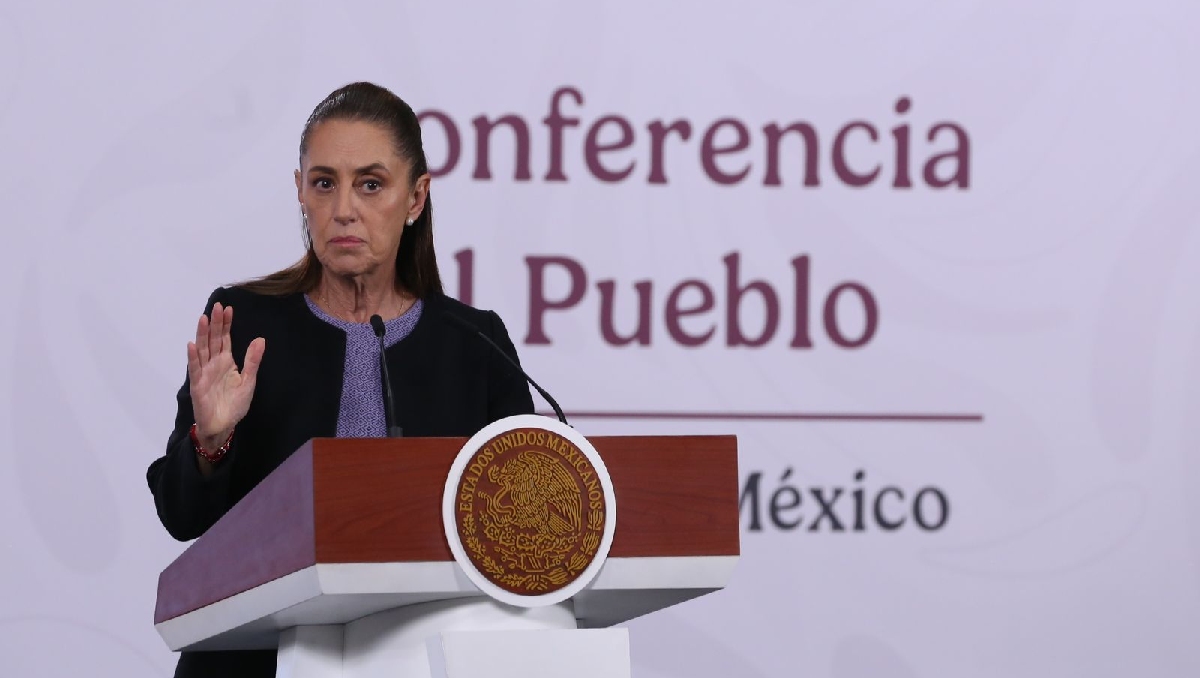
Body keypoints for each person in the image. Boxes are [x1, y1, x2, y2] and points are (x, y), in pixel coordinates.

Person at [145, 81, 536, 678]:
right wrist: (212, 439)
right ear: (300, 191)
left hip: (423, 658)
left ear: (415, 198)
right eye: (324, 182)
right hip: (256, 662)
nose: (344, 208)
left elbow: (524, 521)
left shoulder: (474, 343)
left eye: (370, 184)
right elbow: (182, 518)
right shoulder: (244, 323)